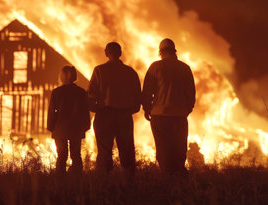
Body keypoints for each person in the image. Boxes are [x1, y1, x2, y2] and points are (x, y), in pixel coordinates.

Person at [142, 38, 196, 176]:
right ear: (174, 51)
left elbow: (147, 91)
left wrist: (147, 109)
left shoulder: (155, 67)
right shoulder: (184, 68)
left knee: (163, 148)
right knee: (179, 148)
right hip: (179, 116)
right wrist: (186, 110)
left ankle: (167, 177)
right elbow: (191, 93)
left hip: (160, 116)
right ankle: (180, 178)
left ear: (160, 52)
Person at [87, 42, 141, 173]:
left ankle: (104, 184)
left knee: (104, 151)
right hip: (124, 116)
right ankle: (130, 184)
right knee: (127, 151)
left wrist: (97, 109)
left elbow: (90, 95)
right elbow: (138, 97)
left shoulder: (99, 71)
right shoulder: (130, 72)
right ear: (120, 53)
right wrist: (130, 110)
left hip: (104, 115)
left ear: (106, 53)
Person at [47, 65, 91, 174]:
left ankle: (60, 181)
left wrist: (51, 127)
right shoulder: (81, 92)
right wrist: (85, 126)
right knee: (76, 155)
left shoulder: (57, 92)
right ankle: (77, 181)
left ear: (62, 76)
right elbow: (85, 112)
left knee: (62, 155)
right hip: (76, 128)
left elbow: (52, 112)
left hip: (60, 128)